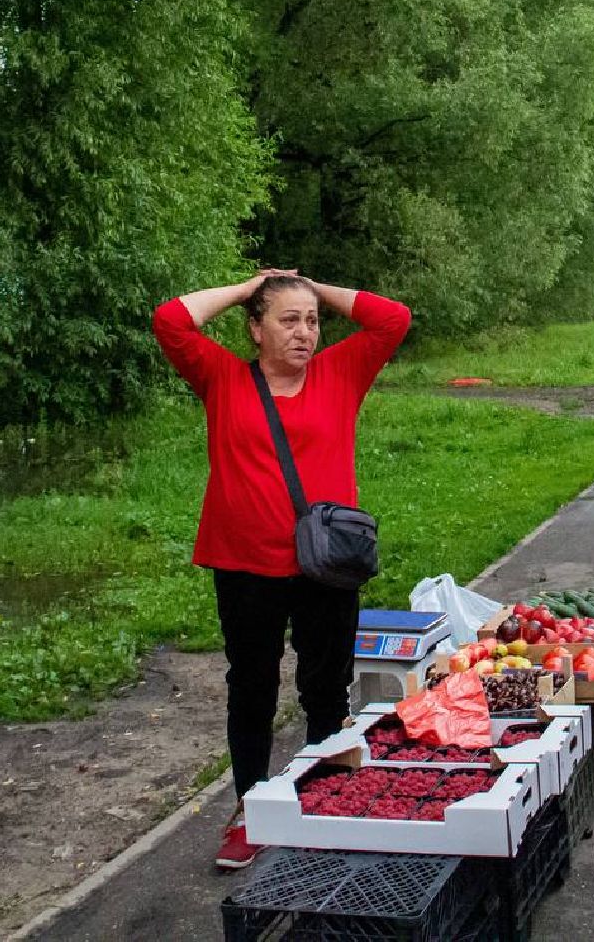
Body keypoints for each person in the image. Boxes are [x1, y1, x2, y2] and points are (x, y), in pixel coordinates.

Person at [152, 269, 411, 870]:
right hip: (244, 566)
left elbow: (392, 318)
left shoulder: (339, 373)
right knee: (251, 690)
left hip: (327, 566)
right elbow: (170, 319)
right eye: (288, 320)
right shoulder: (221, 378)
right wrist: (247, 287)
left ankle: (322, 800)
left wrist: (313, 288)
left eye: (312, 321)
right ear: (254, 330)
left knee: (325, 690)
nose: (305, 333)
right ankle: (252, 808)